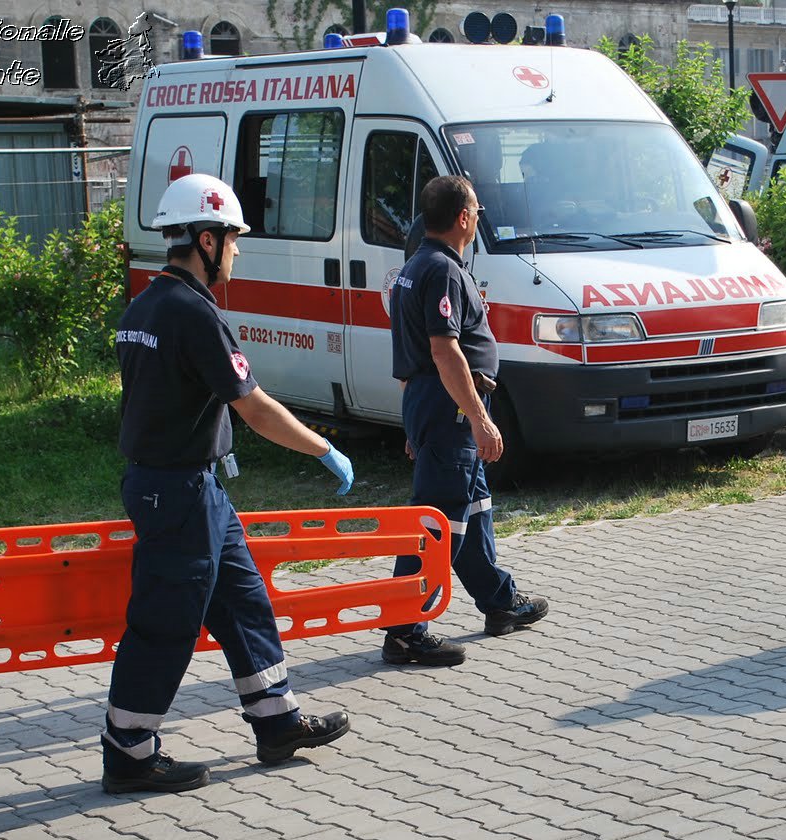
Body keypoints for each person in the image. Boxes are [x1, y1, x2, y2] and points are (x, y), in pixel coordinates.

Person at [103, 173, 355, 793]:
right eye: (234, 241)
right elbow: (253, 405)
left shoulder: (145, 304)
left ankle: (277, 721)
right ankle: (128, 749)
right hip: (177, 492)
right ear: (207, 241)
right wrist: (322, 447)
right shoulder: (194, 313)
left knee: (243, 600)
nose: (238, 252)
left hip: (191, 487)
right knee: (166, 622)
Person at [380, 175, 548, 667]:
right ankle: (405, 628)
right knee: (435, 523)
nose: (478, 218)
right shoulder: (443, 272)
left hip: (434, 405)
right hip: (450, 406)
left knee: (471, 511)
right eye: (475, 210)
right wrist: (478, 417)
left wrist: (417, 424)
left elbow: (409, 357)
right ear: (462, 218)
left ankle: (500, 602)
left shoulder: (415, 267)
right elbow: (443, 349)